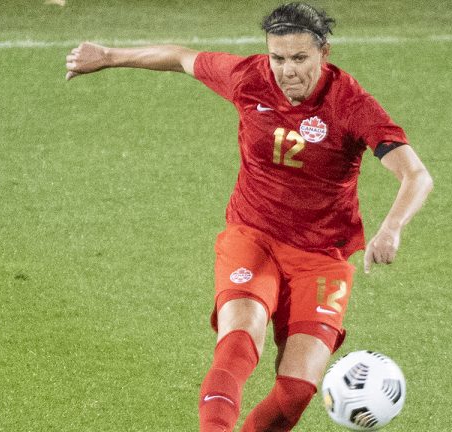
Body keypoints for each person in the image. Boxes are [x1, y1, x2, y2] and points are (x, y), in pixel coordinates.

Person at [65, 3, 432, 430]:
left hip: (321, 255)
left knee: (295, 392)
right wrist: (109, 56)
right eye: (278, 57)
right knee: (237, 343)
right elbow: (183, 58)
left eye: (299, 58)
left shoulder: (350, 104)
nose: (286, 70)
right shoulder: (249, 77)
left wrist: (391, 229)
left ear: (323, 52)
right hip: (252, 236)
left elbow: (416, 175)